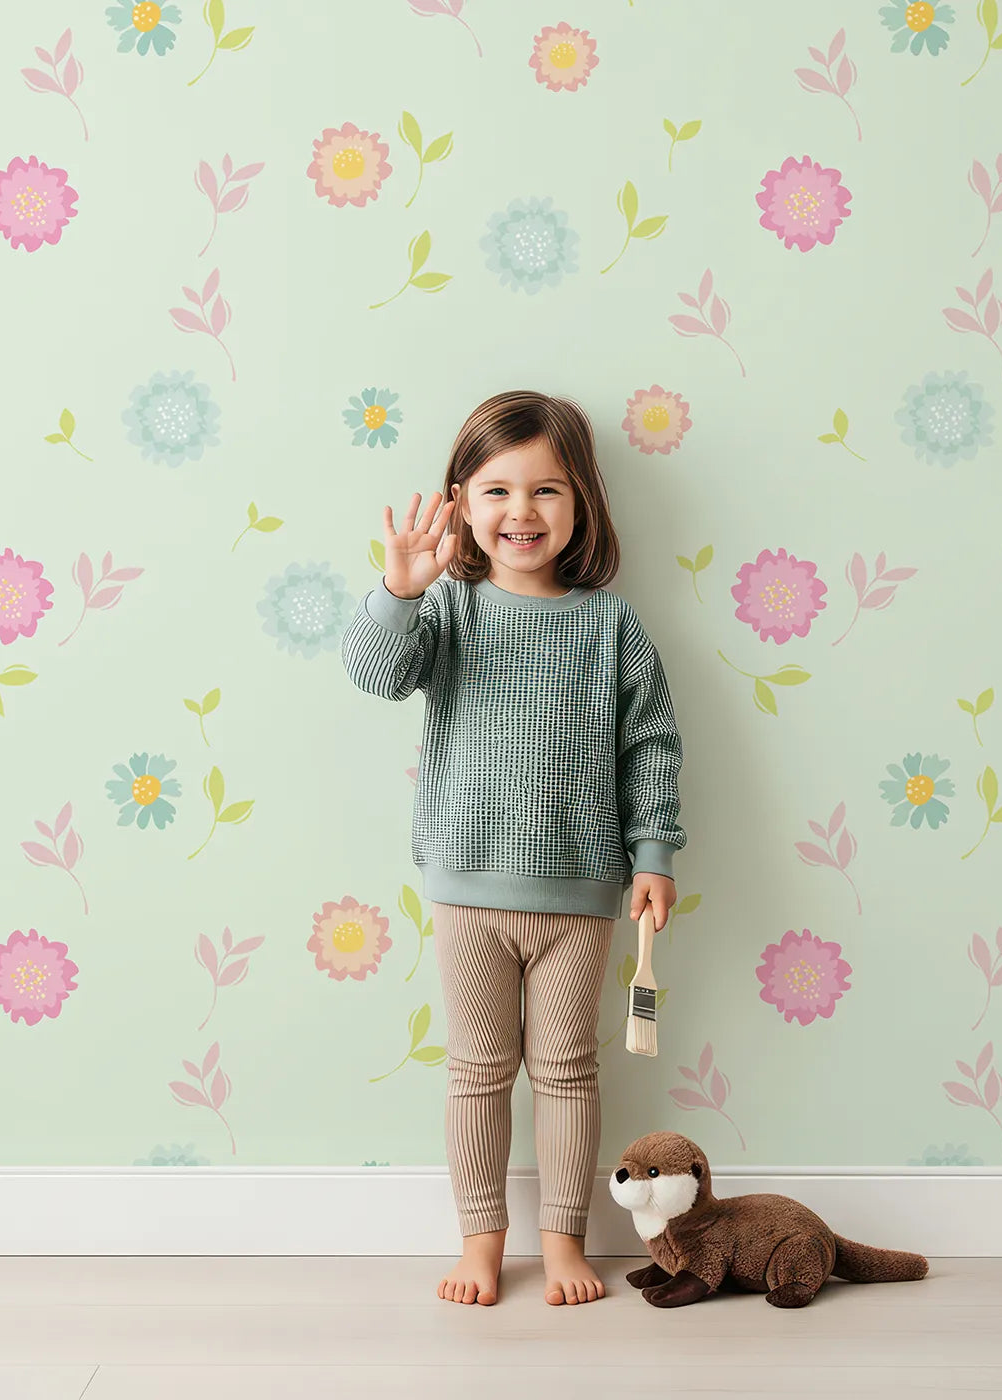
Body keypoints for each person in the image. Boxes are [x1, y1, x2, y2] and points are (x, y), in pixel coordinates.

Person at [341, 389, 686, 1306]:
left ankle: (566, 1241)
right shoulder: (447, 611)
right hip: (466, 887)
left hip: (580, 892)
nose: (521, 512)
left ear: (582, 507)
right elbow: (376, 674)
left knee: (569, 1073)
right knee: (478, 1073)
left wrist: (653, 854)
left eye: (546, 491)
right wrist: (401, 589)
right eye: (496, 491)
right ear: (460, 502)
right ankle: (482, 1241)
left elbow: (650, 744)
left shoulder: (610, 626)